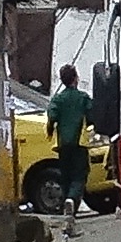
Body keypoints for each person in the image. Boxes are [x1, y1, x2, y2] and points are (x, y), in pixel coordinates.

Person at [41, 72, 91, 212]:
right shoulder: (83, 98)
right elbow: (92, 115)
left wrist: (50, 132)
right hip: (79, 143)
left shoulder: (58, 99)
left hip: (63, 144)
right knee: (79, 176)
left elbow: (52, 116)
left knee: (66, 175)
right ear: (75, 78)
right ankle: (72, 199)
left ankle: (67, 208)